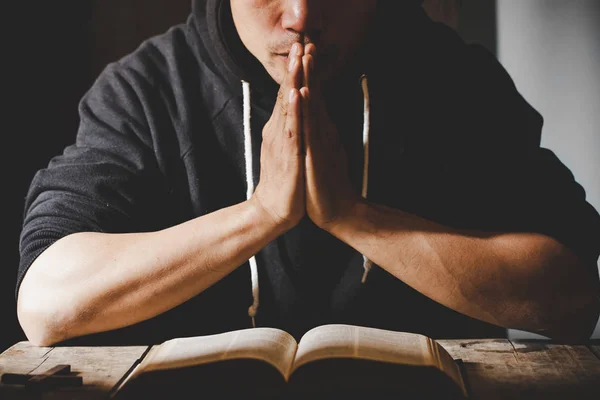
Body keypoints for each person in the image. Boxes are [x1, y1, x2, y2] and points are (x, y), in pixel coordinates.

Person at [16, 0, 600, 347]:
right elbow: (46, 301)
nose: (301, 16)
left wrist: (353, 217)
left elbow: (573, 295)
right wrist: (261, 214)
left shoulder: (455, 79)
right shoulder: (145, 90)